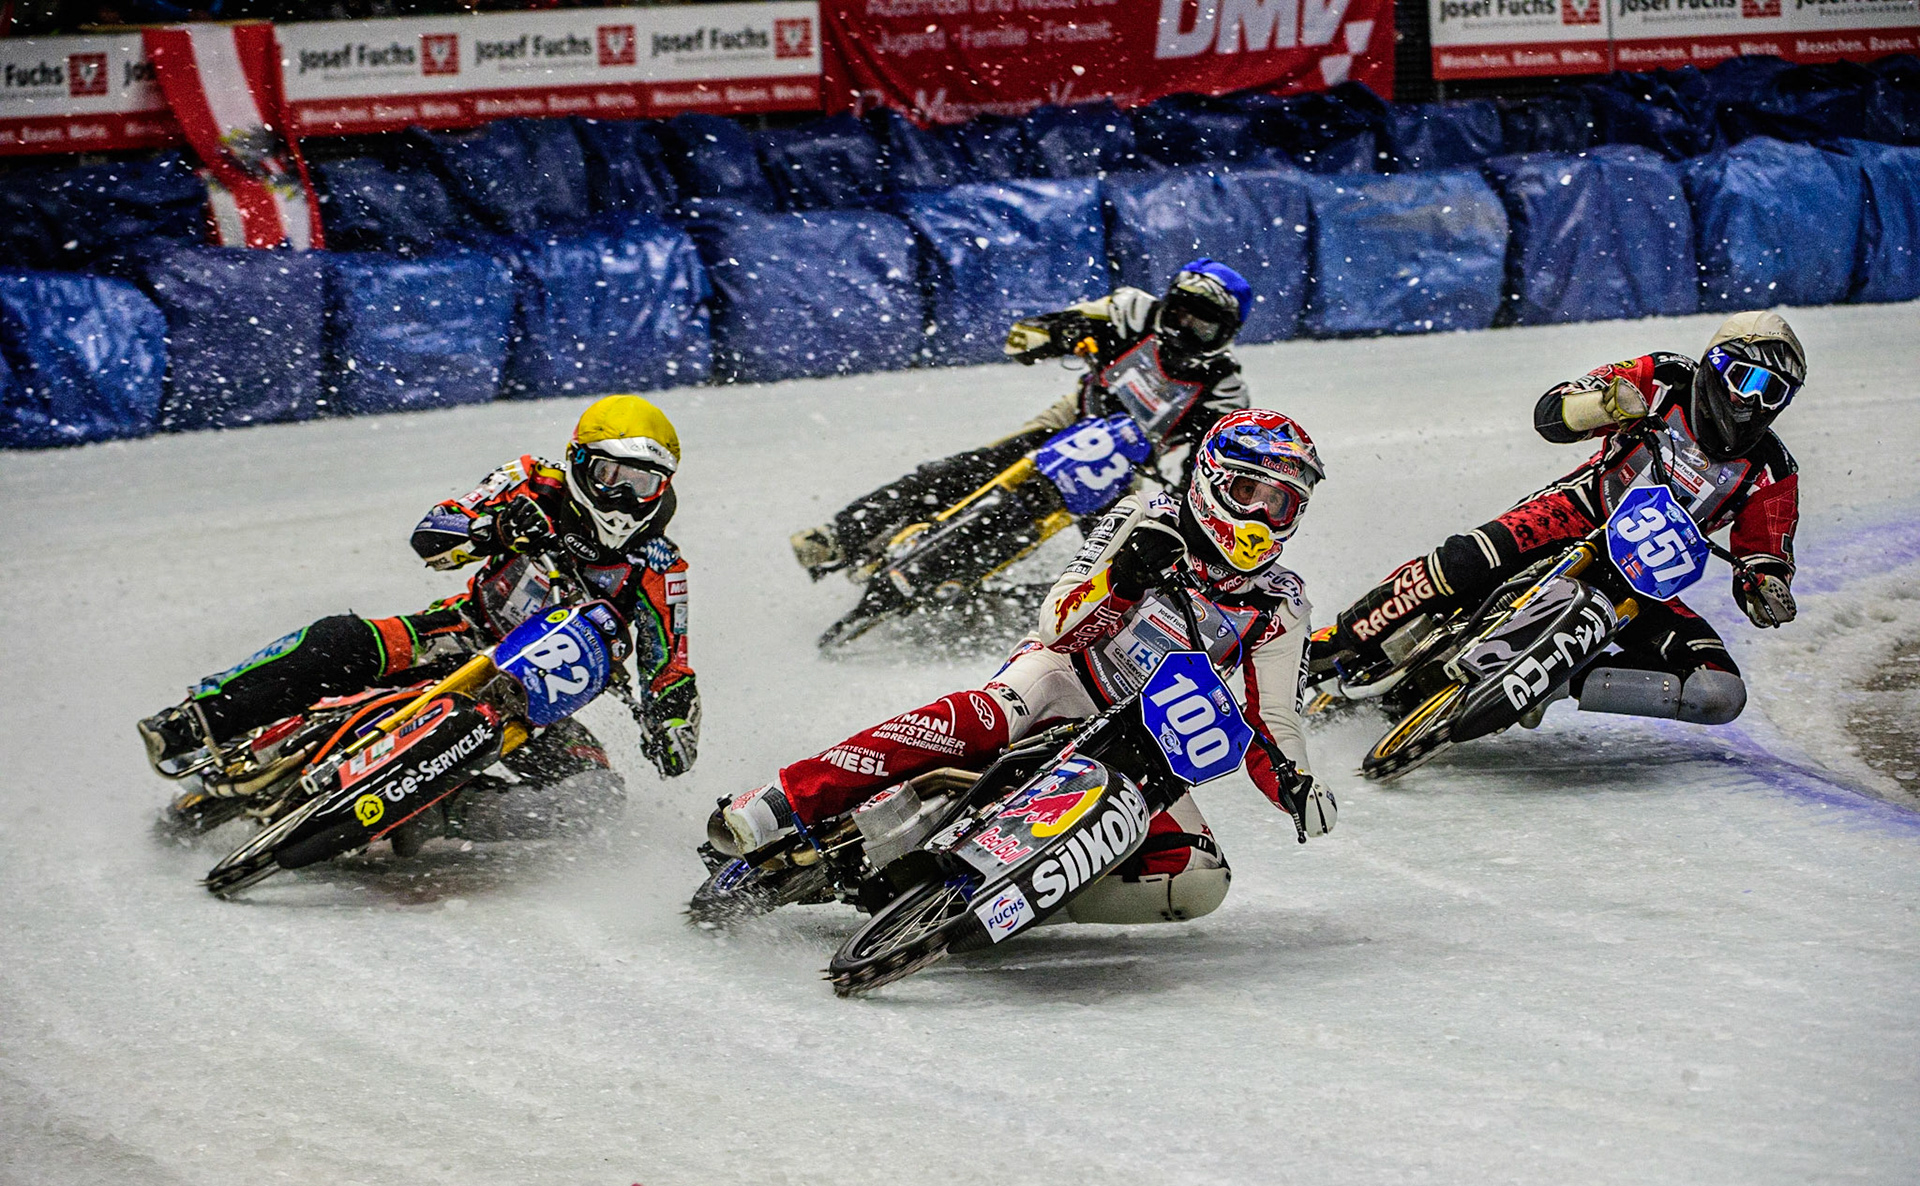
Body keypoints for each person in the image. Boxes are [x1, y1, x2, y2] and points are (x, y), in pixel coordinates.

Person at [722, 409, 1337, 925]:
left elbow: (1271, 714)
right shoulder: (1142, 517)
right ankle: (789, 796)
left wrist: (1296, 783)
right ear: (1209, 480)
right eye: (1247, 492)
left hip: (1147, 744)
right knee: (986, 717)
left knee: (1199, 876)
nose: (1258, 516)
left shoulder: (1281, 601)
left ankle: (1011, 901)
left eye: (1279, 504)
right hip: (1064, 677)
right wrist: (1123, 580)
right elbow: (1059, 624)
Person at [138, 394, 702, 813]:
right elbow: (433, 533)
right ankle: (198, 719)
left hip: (533, 700)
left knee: (594, 799)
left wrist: (673, 723)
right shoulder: (531, 480)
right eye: (611, 476)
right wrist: (497, 527)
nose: (625, 497)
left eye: (644, 484)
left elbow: (668, 664)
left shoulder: (660, 566)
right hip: (457, 631)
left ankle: (444, 814)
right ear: (579, 463)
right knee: (343, 639)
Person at [1313, 311, 1807, 725]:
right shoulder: (1664, 377)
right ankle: (1338, 639)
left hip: (1645, 581)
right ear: (1716, 364)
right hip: (1579, 512)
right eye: (1750, 380)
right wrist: (1602, 406)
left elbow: (1766, 555)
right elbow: (1552, 413)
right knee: (1464, 560)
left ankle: (1561, 678)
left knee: (1719, 692)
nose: (1755, 402)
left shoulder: (1774, 470)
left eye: (1776, 393)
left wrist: (1764, 585)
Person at [789, 259, 1257, 576]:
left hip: (1125, 467)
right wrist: (1060, 334)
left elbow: (1210, 468)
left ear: (1227, 333)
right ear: (1165, 303)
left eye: (1202, 324)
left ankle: (1076, 620)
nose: (1183, 330)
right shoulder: (1131, 310)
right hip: (1070, 418)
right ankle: (842, 536)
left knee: (1121, 560)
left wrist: (1189, 499)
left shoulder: (1225, 389)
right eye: (1179, 314)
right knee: (963, 470)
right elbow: (1024, 336)